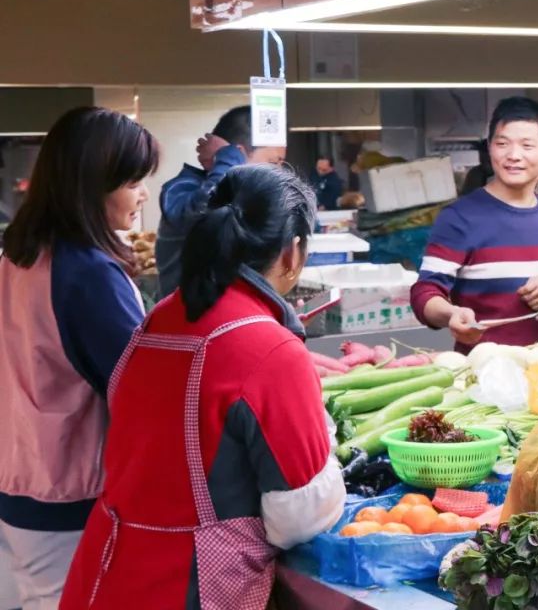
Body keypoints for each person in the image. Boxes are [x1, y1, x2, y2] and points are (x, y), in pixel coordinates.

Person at [60, 165, 345, 610]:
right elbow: (299, 517)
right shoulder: (269, 347)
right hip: (188, 588)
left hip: (109, 573)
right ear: (292, 253)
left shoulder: (164, 315)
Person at [0, 108, 159, 610]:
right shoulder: (87, 273)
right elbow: (141, 386)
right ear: (92, 184)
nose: (143, 194)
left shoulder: (21, 255)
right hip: (70, 496)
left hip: (21, 480)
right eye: (132, 180)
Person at [410, 97, 538, 351]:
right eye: (502, 144)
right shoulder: (460, 217)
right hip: (481, 374)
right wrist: (451, 314)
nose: (513, 156)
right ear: (490, 147)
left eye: (527, 145)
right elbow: (425, 293)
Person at [154, 105, 286, 297]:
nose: (278, 173)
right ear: (238, 156)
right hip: (188, 324)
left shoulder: (248, 201)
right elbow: (206, 209)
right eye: (274, 163)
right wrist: (227, 158)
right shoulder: (181, 191)